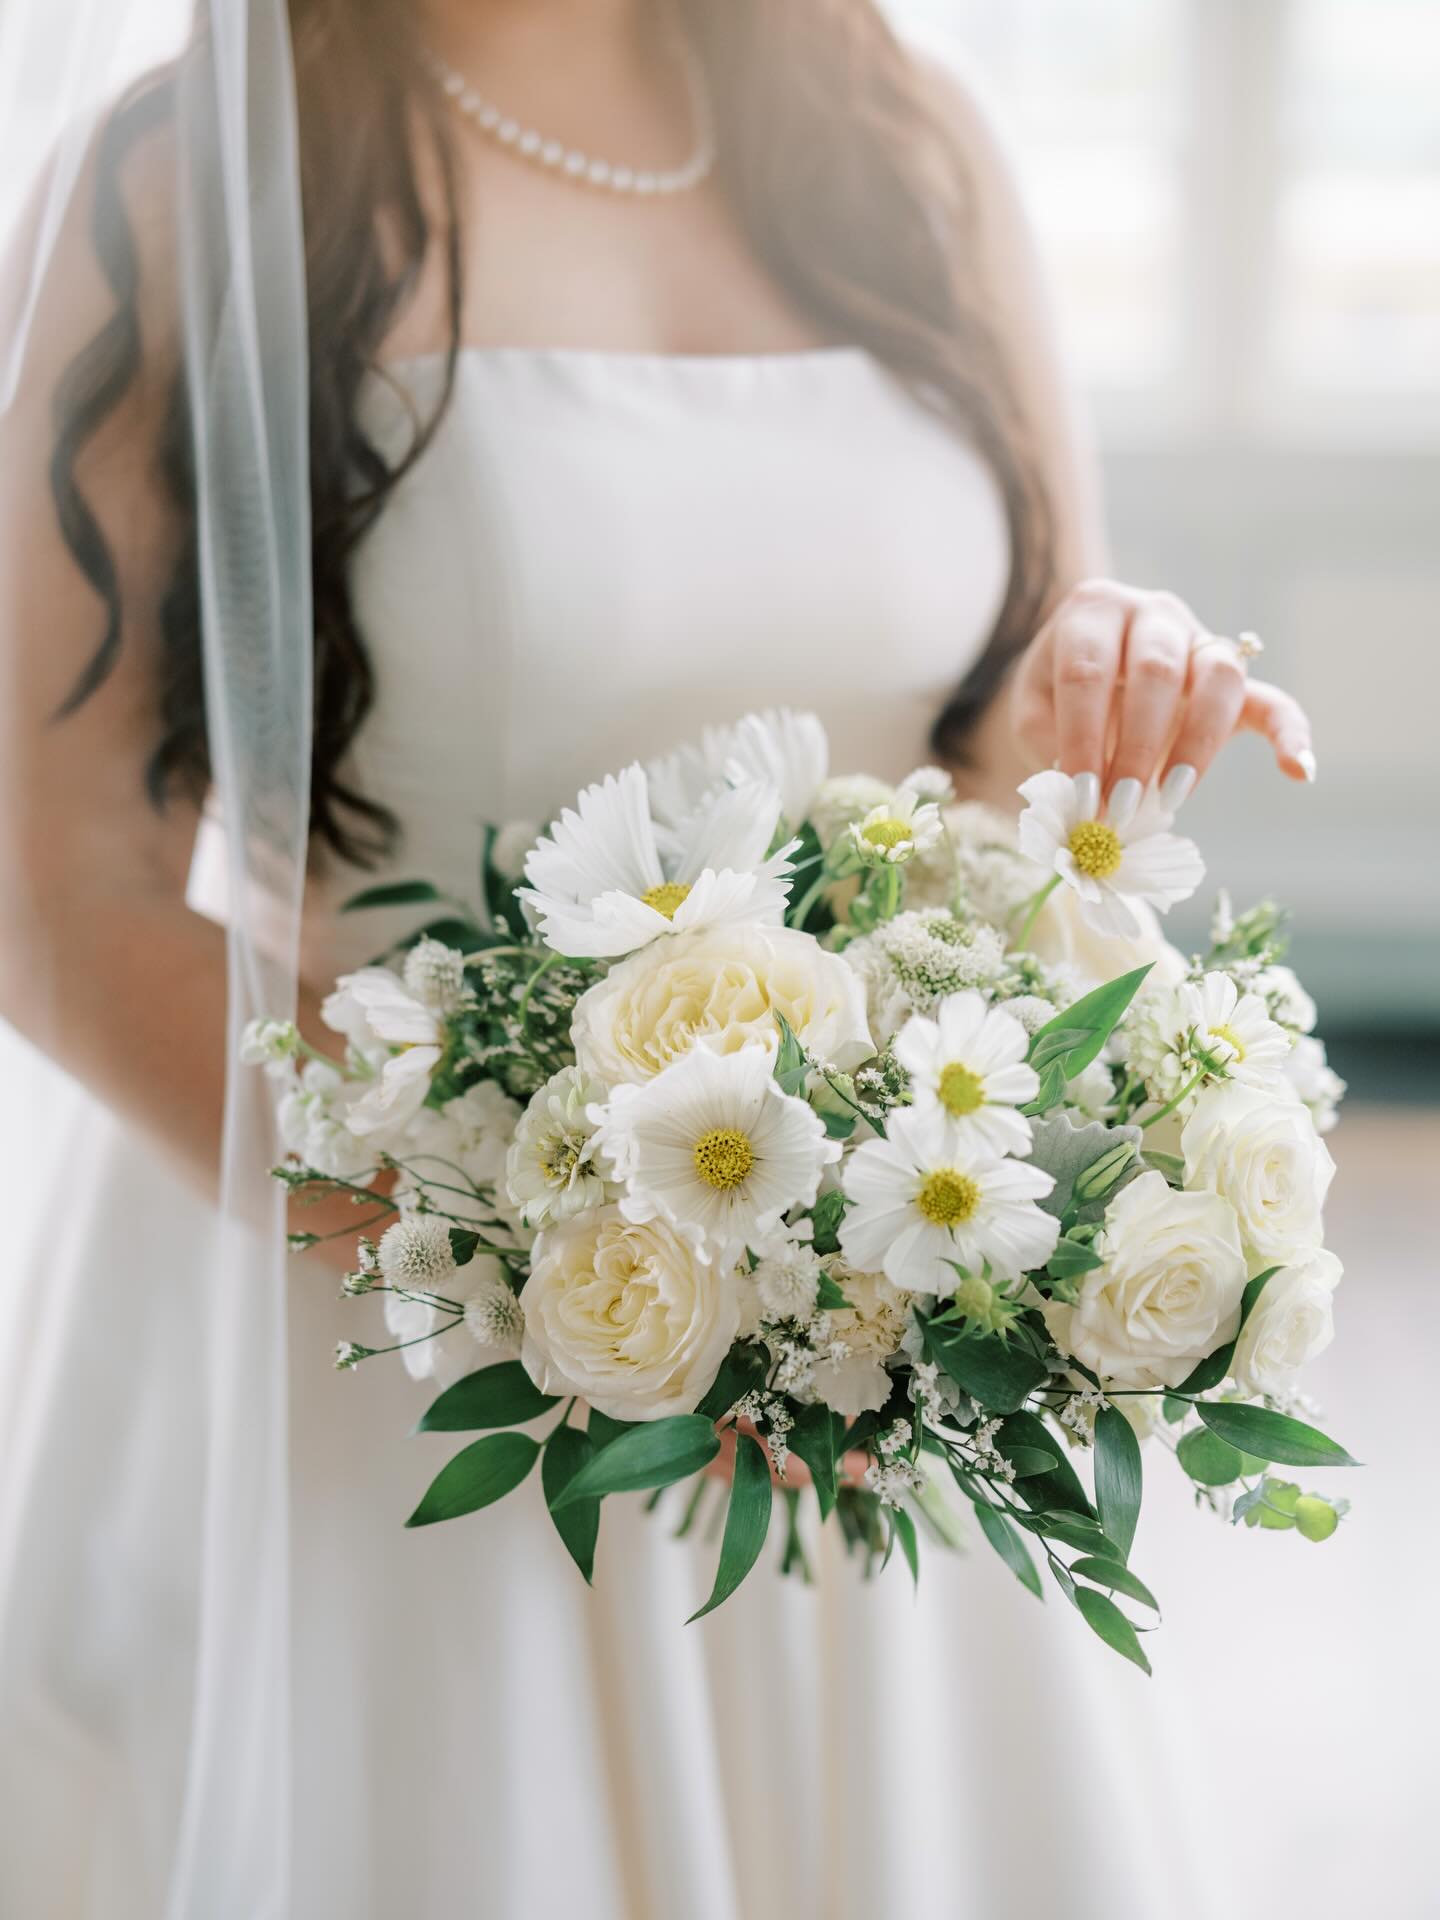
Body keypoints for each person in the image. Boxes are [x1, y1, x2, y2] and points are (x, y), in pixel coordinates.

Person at [0, 2, 1314, 1914]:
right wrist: (560, 1279)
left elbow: (990, 736)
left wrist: (1103, 685)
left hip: (875, 1341)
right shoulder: (197, 166)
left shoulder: (905, 135)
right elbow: (60, 878)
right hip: (403, 1343)